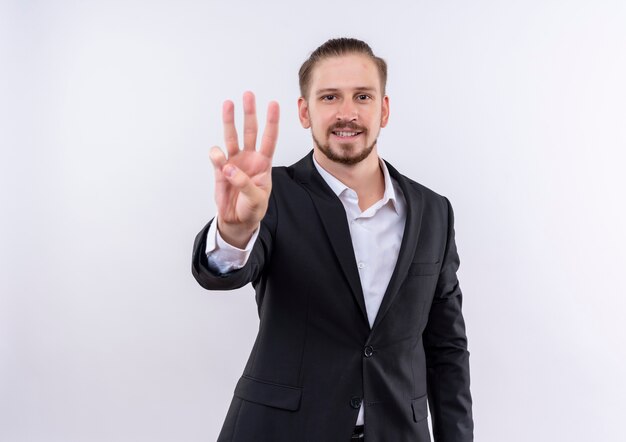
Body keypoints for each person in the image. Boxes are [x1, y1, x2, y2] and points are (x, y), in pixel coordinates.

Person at [192, 37, 473, 442]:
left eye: (362, 96)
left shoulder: (434, 212)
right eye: (329, 97)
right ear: (304, 112)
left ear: (384, 109)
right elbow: (222, 274)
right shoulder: (271, 194)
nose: (347, 113)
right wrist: (235, 231)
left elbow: (447, 351)